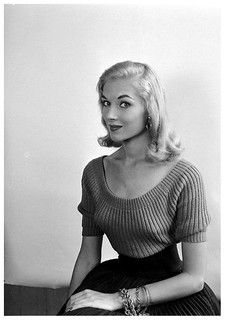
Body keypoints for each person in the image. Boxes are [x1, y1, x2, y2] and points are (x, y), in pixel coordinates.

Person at [57, 61, 220, 316]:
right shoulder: (94, 173)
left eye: (124, 103)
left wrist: (117, 300)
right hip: (113, 278)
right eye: (105, 102)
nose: (110, 114)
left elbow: (194, 277)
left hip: (173, 291)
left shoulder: (185, 177)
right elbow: (88, 256)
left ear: (150, 109)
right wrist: (68, 309)